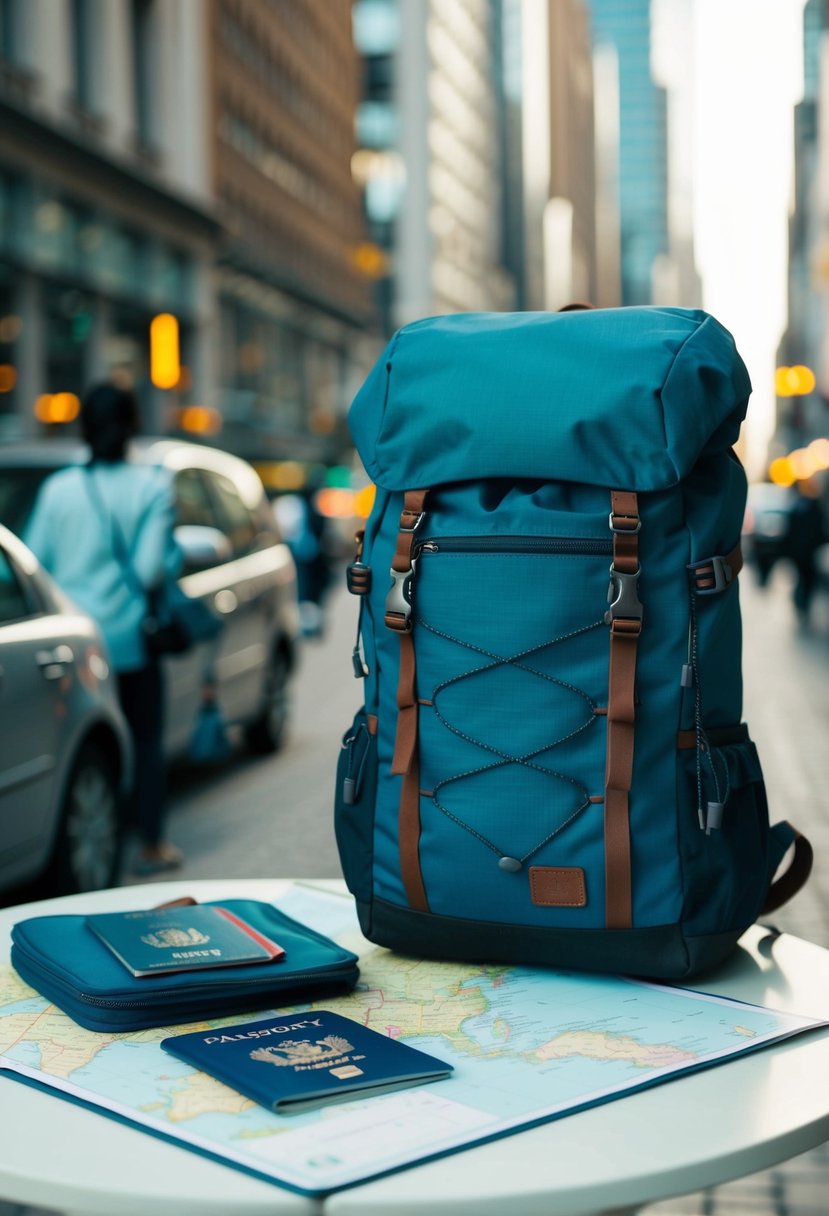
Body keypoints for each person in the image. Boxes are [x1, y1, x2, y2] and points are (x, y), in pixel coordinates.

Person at [25, 382, 184, 874]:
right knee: (145, 740)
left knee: (84, 746)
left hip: (75, 644)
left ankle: (94, 838)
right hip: (131, 640)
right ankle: (152, 844)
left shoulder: (58, 489)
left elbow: (36, 563)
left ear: (84, 427)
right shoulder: (152, 486)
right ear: (133, 425)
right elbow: (153, 568)